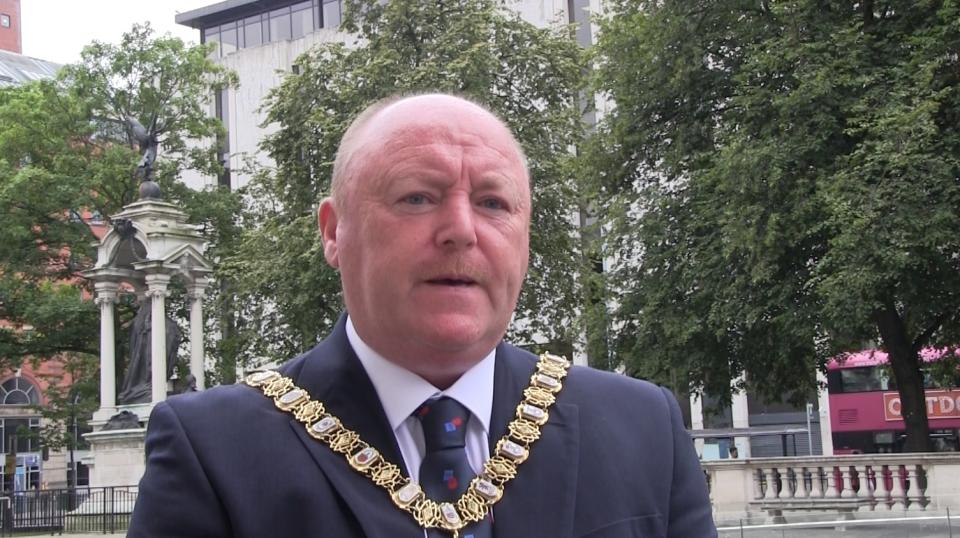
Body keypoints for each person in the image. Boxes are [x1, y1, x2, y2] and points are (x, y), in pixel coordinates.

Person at [128, 94, 717, 537]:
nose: (461, 230)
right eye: (417, 197)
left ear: (525, 240)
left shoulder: (642, 429)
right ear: (335, 233)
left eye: (492, 203)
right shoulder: (215, 451)